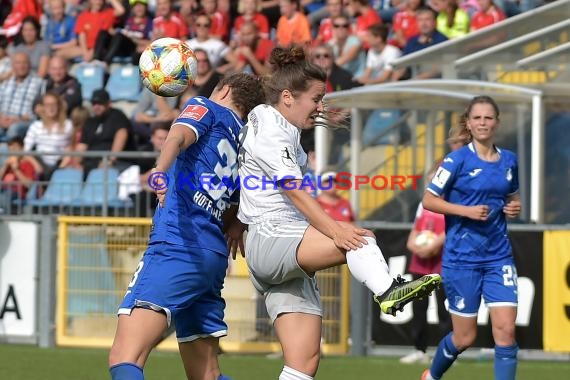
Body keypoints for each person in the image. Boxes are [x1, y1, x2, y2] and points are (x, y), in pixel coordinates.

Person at [237, 46, 442, 380]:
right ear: (287, 96)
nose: (320, 106)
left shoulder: (278, 125)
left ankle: (387, 289)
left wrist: (235, 218)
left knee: (303, 363)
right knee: (359, 240)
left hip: (281, 250)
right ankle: (388, 291)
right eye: (317, 98)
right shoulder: (271, 128)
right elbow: (292, 189)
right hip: (272, 237)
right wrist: (335, 230)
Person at [107, 72, 265, 380]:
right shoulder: (243, 138)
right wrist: (236, 225)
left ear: (225, 89)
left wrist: (160, 171)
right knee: (205, 374)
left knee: (125, 356)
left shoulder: (204, 106)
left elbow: (177, 136)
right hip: (212, 257)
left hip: (177, 244)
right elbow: (237, 200)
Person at [421, 95, 521, 380]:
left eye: (488, 117)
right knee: (464, 338)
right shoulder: (456, 160)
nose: (482, 123)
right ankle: (432, 376)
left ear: (497, 123)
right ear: (468, 122)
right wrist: (464, 210)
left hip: (498, 256)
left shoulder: (510, 160)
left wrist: (515, 206)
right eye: (477, 117)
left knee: (506, 331)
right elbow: (429, 200)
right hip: (461, 260)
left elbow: (511, 196)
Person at [399, 163, 450, 364]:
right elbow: (415, 231)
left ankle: (446, 351)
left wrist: (434, 245)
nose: (432, 184)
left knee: (443, 309)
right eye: (430, 180)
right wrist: (414, 245)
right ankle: (419, 349)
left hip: (442, 261)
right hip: (420, 262)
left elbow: (449, 231)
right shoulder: (424, 204)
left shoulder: (451, 203)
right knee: (418, 307)